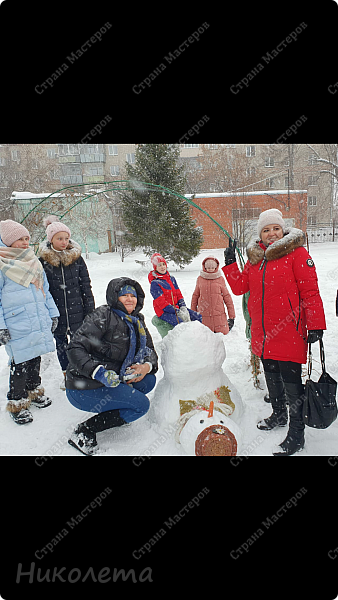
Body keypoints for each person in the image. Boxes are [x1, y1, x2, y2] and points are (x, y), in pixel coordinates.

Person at [223, 208, 326, 456]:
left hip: (289, 330)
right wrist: (230, 263)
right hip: (263, 332)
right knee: (272, 375)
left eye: (275, 229)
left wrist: (316, 324)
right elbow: (239, 287)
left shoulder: (297, 254)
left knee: (293, 385)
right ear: (261, 233)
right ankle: (279, 414)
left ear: (283, 230)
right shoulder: (256, 259)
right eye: (266, 230)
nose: (271, 234)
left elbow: (311, 291)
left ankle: (297, 434)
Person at [65, 277, 158, 455]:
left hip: (115, 378)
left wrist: (146, 366)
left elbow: (150, 351)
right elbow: (75, 347)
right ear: (115, 297)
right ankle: (84, 431)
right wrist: (97, 372)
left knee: (148, 381)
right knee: (141, 406)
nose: (130, 299)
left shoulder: (137, 320)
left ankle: (116, 409)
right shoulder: (102, 316)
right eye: (125, 296)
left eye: (133, 295)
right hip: (84, 385)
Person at [0, 220, 59, 424]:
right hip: (16, 323)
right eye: (20, 239)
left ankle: (33, 390)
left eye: (27, 239)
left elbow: (46, 290)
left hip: (37, 317)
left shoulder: (33, 261)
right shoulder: (1, 264)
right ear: (8, 241)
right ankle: (17, 401)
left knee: (35, 357)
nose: (26, 243)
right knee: (20, 362)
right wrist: (1, 326)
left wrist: (53, 313)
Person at [38, 215, 95, 388]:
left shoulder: (77, 259)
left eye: (66, 238)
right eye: (59, 238)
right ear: (51, 239)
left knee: (81, 344)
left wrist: (90, 310)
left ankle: (82, 372)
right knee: (61, 346)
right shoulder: (43, 262)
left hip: (78, 312)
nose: (64, 242)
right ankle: (67, 374)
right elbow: (42, 291)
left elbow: (85, 285)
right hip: (58, 314)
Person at [148, 252, 202, 338]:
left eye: (163, 264)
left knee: (197, 317)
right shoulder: (155, 283)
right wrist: (177, 311)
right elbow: (162, 304)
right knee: (182, 324)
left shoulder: (171, 279)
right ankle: (185, 343)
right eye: (159, 265)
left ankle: (200, 339)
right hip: (163, 312)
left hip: (177, 308)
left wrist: (183, 307)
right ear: (155, 268)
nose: (162, 267)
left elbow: (178, 294)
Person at [191, 256, 236, 335]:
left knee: (220, 339)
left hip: (219, 316)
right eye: (208, 267)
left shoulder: (220, 279)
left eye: (212, 267)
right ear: (204, 267)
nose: (210, 269)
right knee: (205, 339)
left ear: (216, 267)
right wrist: (193, 313)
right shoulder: (200, 279)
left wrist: (231, 316)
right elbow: (195, 296)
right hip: (204, 315)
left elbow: (227, 297)